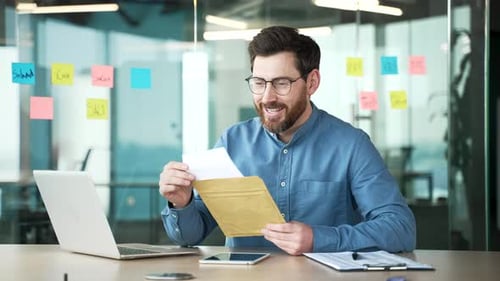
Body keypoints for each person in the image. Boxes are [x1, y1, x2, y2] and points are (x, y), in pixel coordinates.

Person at [159, 26, 416, 256]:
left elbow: (400, 228)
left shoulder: (351, 145)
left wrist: (319, 239)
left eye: (282, 83)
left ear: (312, 82)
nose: (268, 97)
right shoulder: (232, 142)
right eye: (259, 82)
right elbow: (191, 236)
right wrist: (182, 203)